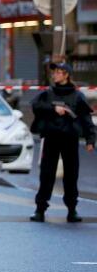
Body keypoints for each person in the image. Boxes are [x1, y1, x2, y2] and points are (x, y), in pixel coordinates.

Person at [29, 62, 96, 223]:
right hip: (51, 138)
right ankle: (40, 209)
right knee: (46, 175)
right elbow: (35, 105)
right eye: (54, 72)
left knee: (71, 176)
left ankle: (72, 210)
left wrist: (90, 139)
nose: (55, 75)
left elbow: (86, 118)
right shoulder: (48, 93)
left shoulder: (77, 95)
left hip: (70, 139)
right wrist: (53, 109)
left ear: (66, 75)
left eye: (59, 72)